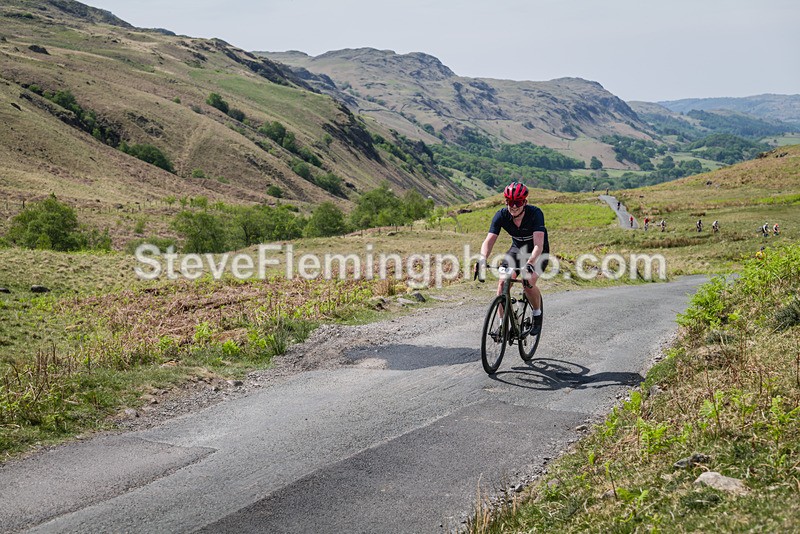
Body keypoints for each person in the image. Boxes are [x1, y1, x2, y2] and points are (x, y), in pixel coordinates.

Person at [475, 182, 548, 335]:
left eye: (518, 202)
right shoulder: (501, 215)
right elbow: (489, 240)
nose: (514, 206)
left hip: (537, 253)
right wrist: (482, 259)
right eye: (510, 202)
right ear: (505, 202)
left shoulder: (535, 214)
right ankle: (502, 326)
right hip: (517, 250)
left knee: (528, 282)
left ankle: (537, 314)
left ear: (525, 202)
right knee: (502, 283)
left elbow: (538, 245)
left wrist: (530, 263)